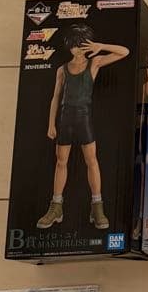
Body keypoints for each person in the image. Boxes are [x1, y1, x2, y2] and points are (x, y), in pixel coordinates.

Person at [37, 25, 129, 231]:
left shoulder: (94, 62)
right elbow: (55, 97)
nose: (78, 50)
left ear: (88, 45)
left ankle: (97, 207)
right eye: (74, 46)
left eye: (82, 45)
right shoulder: (62, 69)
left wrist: (101, 46)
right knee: (61, 162)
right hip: (65, 119)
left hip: (83, 118)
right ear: (68, 46)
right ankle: (56, 206)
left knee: (91, 161)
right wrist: (51, 123)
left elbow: (124, 51)